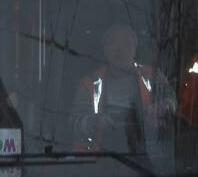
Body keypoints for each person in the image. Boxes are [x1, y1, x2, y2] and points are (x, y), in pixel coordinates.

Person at [72, 22, 172, 152]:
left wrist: (163, 106)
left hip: (149, 161)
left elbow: (171, 100)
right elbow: (73, 123)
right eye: (113, 42)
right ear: (105, 49)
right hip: (98, 162)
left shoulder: (153, 76)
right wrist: (93, 122)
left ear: (135, 46)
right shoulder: (89, 83)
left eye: (126, 41)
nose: (120, 49)